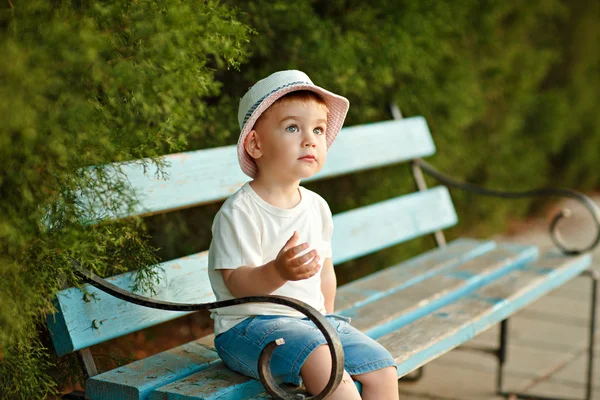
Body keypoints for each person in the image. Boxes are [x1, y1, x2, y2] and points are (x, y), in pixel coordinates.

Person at [208, 70, 399, 399]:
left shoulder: (316, 206)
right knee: (328, 367)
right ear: (255, 143)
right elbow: (236, 285)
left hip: (312, 322)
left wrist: (327, 318)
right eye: (293, 127)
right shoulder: (240, 212)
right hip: (248, 328)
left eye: (319, 129)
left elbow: (325, 271)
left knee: (381, 368)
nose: (310, 139)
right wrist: (277, 271)